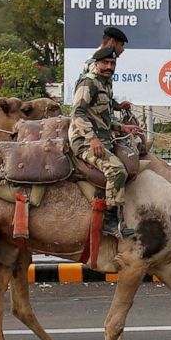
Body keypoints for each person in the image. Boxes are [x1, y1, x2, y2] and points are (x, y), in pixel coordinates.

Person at [69, 47, 142, 238]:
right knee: (117, 170)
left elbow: (102, 117)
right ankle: (109, 221)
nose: (109, 67)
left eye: (112, 63)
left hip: (103, 138)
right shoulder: (89, 83)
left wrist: (122, 128)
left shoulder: (106, 83)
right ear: (97, 63)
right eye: (105, 63)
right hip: (84, 141)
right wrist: (91, 139)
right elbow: (77, 113)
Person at [78, 26, 132, 113]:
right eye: (121, 45)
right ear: (112, 42)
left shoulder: (102, 63)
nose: (123, 49)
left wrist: (117, 106)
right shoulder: (94, 63)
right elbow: (83, 106)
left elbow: (101, 96)